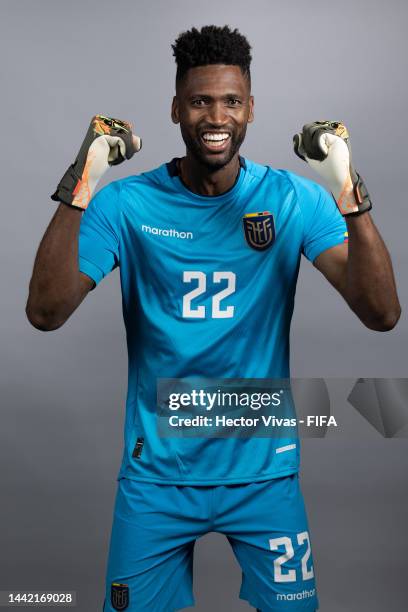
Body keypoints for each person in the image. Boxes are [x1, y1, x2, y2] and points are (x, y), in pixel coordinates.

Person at [26, 24, 400, 612]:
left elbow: (381, 315)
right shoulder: (126, 204)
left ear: (251, 108)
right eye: (200, 101)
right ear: (176, 108)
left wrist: (348, 194)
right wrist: (82, 182)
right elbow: (45, 313)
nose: (215, 117)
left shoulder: (292, 199)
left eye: (230, 101)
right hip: (157, 480)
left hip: (263, 475)